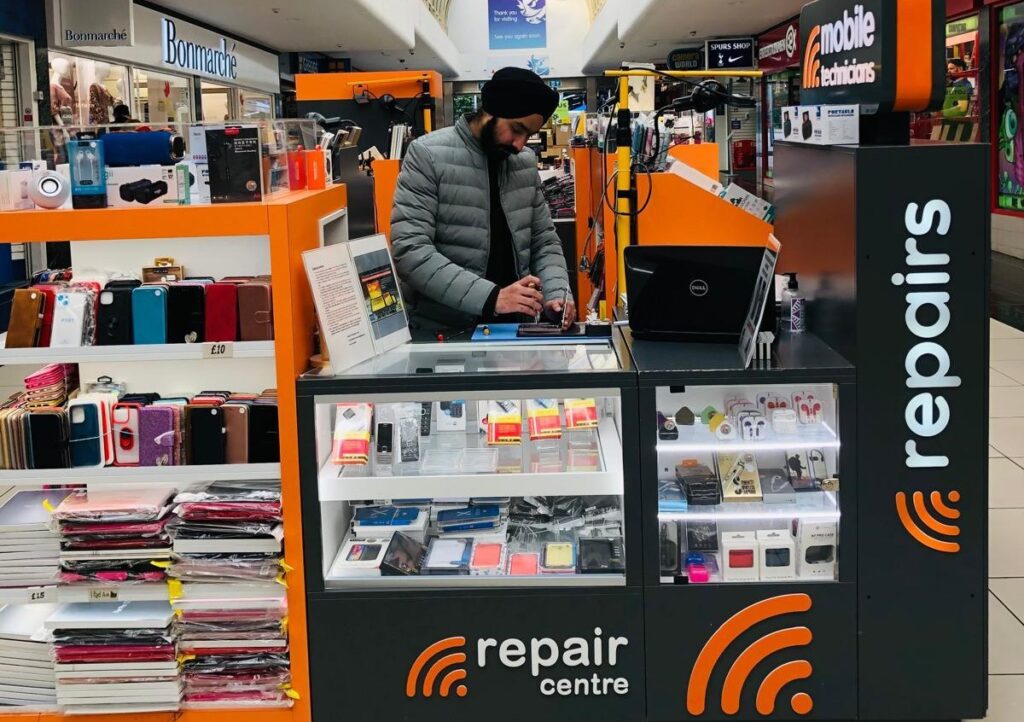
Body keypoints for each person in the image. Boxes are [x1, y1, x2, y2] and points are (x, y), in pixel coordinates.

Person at [390, 67, 576, 338]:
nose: (520, 144)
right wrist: (492, 298)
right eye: (516, 129)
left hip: (514, 330)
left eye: (529, 134)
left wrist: (558, 293)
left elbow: (543, 242)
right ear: (490, 111)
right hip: (447, 333)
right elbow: (411, 252)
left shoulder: (522, 164)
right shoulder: (427, 155)